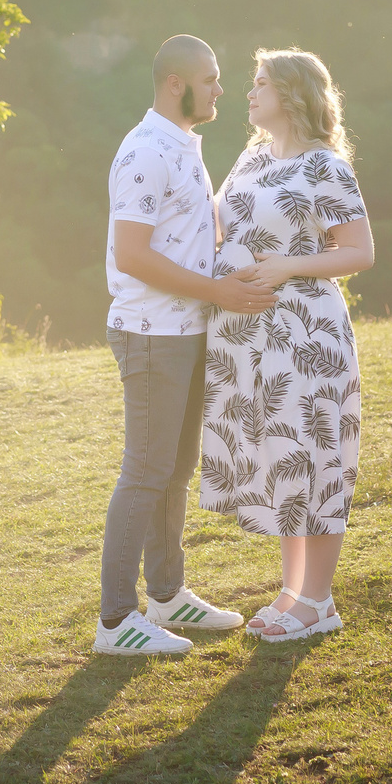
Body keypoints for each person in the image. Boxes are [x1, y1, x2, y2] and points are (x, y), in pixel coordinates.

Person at [91, 35, 273, 656]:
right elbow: (133, 255)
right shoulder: (145, 151)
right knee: (144, 473)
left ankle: (167, 596)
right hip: (150, 335)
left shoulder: (183, 146)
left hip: (185, 330)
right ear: (176, 84)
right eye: (212, 77)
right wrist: (217, 293)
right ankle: (116, 623)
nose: (222, 88)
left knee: (173, 470)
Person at [202, 48, 376, 642]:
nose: (247, 94)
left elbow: (359, 252)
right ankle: (293, 589)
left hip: (306, 332)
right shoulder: (252, 157)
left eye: (259, 84)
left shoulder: (325, 166)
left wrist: (284, 269)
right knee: (283, 456)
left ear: (293, 95)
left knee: (317, 454)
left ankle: (320, 601)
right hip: (250, 333)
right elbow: (226, 225)